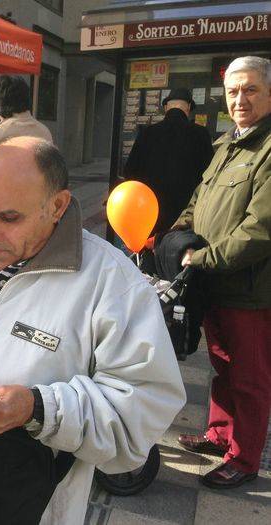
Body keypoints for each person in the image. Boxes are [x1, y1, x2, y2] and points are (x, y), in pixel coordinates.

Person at [0, 136, 186, 524]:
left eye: (10, 218)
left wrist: (39, 409)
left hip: (31, 504)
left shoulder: (112, 282)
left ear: (57, 206)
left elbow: (142, 411)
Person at [175, 56, 271, 489]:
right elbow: (200, 200)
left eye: (250, 89)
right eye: (233, 91)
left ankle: (245, 457)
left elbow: (259, 230)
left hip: (250, 290)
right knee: (222, 366)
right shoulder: (227, 144)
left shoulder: (267, 149)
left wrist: (203, 259)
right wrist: (176, 233)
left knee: (250, 378)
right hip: (215, 282)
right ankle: (219, 435)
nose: (240, 99)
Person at [123, 88, 213, 236]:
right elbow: (209, 176)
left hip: (151, 212)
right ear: (189, 108)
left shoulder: (148, 133)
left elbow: (130, 172)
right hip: (185, 217)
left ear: (166, 108)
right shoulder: (200, 134)